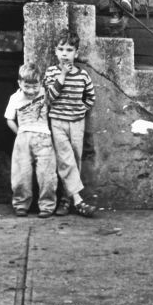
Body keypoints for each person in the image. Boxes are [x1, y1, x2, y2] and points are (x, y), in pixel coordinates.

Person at [43, 29, 97, 217]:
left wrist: (83, 109)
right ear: (56, 52)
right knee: (65, 160)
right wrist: (62, 76)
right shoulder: (51, 72)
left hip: (77, 123)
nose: (65, 53)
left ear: (76, 53)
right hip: (58, 121)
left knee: (75, 160)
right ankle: (78, 201)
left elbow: (90, 96)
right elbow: (49, 97)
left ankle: (67, 200)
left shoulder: (82, 75)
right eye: (61, 49)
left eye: (69, 50)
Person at [4, 62, 57, 217]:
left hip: (44, 139)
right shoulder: (15, 98)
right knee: (21, 173)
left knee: (47, 174)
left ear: (41, 82)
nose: (31, 91)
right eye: (27, 86)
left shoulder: (46, 93)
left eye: (35, 87)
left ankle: (47, 206)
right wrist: (19, 132)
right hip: (23, 140)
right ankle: (21, 204)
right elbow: (9, 119)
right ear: (19, 83)